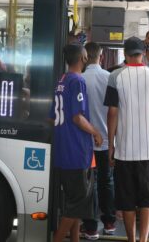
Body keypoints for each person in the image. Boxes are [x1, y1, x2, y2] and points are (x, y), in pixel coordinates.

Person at [104, 37, 149, 242]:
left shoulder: (115, 76)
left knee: (126, 199)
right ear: (143, 53)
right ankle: (143, 240)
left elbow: (112, 114)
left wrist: (111, 146)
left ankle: (131, 239)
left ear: (125, 54)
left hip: (124, 150)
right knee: (148, 199)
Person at [50, 43, 102, 242]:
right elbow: (77, 118)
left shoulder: (61, 81)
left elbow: (52, 117)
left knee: (74, 203)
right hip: (77, 152)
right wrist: (95, 132)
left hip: (63, 151)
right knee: (77, 204)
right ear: (83, 58)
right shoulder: (77, 81)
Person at [81, 42, 116, 239]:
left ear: (85, 57)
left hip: (85, 142)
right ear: (101, 57)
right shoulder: (110, 78)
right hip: (106, 141)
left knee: (89, 185)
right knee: (107, 181)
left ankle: (91, 227)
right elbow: (116, 112)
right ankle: (110, 223)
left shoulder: (80, 79)